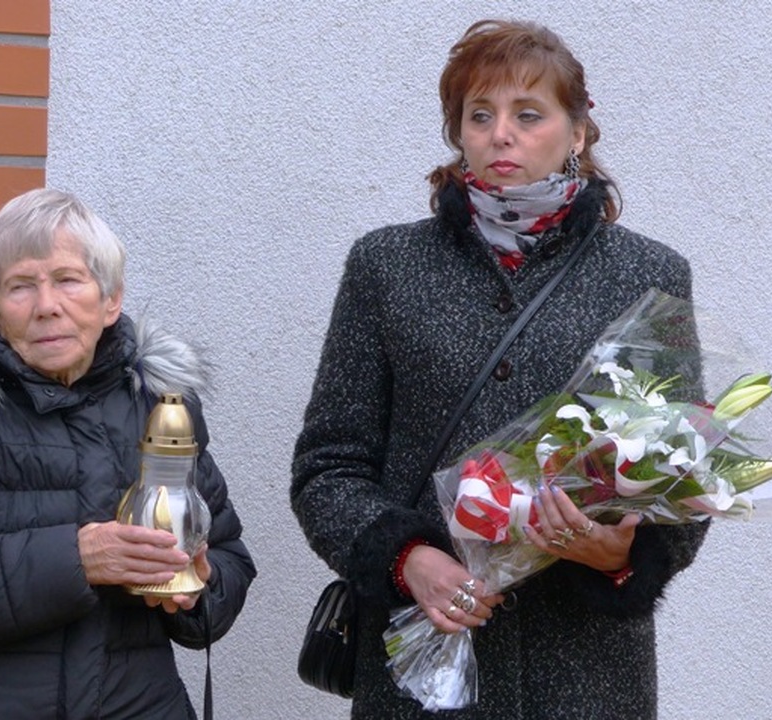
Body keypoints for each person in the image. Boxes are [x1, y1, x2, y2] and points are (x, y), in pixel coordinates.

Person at [291, 19, 707, 720]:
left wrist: (619, 556)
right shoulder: (386, 267)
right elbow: (328, 467)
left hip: (586, 677)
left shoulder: (647, 274)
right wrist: (408, 559)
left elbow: (683, 473)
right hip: (423, 674)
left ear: (578, 133)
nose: (500, 134)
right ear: (459, 133)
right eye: (479, 115)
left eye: (528, 114)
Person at [0, 188, 256, 719]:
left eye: (67, 280)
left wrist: (193, 587)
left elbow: (228, 556)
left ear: (111, 300)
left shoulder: (160, 403)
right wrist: (76, 560)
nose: (47, 306)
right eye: (20, 286)